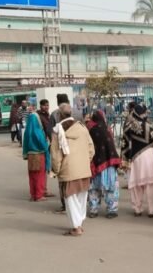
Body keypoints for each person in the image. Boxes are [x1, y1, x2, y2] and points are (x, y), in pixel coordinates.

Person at [50, 103, 95, 236]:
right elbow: (91, 148)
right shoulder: (82, 128)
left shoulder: (57, 130)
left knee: (70, 200)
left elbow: (55, 154)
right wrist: (86, 162)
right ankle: (79, 223)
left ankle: (76, 227)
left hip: (68, 170)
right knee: (81, 197)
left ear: (59, 115)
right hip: (84, 169)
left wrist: (56, 170)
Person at [121, 104, 153, 218]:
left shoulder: (128, 125)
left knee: (136, 184)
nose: (146, 114)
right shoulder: (148, 124)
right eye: (144, 112)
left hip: (135, 157)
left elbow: (124, 143)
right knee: (151, 184)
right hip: (148, 156)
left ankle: (137, 209)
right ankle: (152, 210)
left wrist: (125, 159)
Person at [87, 110, 121, 218]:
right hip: (108, 161)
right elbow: (111, 146)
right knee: (111, 187)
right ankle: (112, 210)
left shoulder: (89, 129)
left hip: (94, 163)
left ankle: (93, 209)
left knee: (93, 188)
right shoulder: (107, 129)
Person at [23, 106, 50, 202]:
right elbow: (42, 143)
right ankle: (39, 195)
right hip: (39, 154)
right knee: (40, 175)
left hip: (30, 154)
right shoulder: (37, 131)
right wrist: (46, 146)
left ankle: (33, 194)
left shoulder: (27, 131)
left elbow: (25, 143)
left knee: (32, 175)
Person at [51, 94, 72, 212]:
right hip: (76, 150)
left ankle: (65, 205)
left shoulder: (55, 114)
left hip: (62, 150)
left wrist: (55, 168)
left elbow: (51, 132)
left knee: (63, 180)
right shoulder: (77, 112)